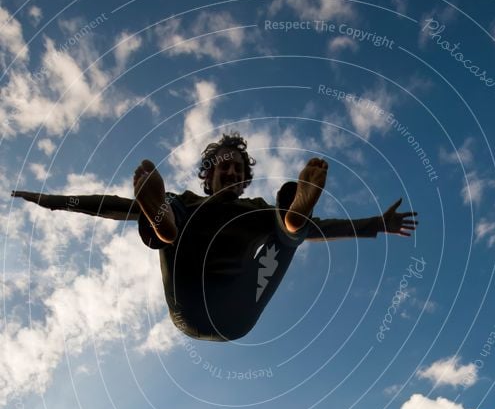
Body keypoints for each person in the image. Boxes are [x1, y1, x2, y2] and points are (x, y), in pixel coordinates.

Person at [12, 132, 418, 341]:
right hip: (188, 302)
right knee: (172, 205)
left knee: (286, 226)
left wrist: (375, 224)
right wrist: (53, 201)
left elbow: (323, 229)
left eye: (238, 170)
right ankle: (163, 223)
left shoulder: (252, 207)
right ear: (208, 175)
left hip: (237, 311)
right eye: (223, 167)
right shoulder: (188, 199)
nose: (231, 173)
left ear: (244, 180)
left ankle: (293, 215)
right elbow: (110, 205)